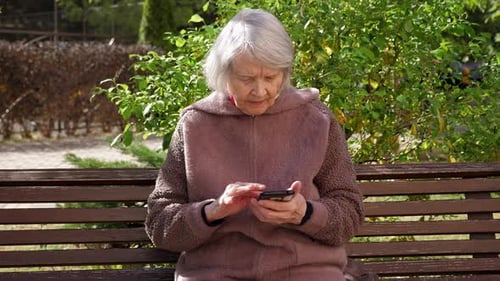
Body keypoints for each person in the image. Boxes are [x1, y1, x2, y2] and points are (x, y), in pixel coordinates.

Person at [145, 7, 364, 281]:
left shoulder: (316, 119)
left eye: (271, 78)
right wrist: (213, 211)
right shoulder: (194, 124)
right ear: (223, 75)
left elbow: (350, 214)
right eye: (247, 79)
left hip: (305, 271)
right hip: (214, 272)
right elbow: (159, 223)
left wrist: (304, 212)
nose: (260, 91)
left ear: (284, 73)